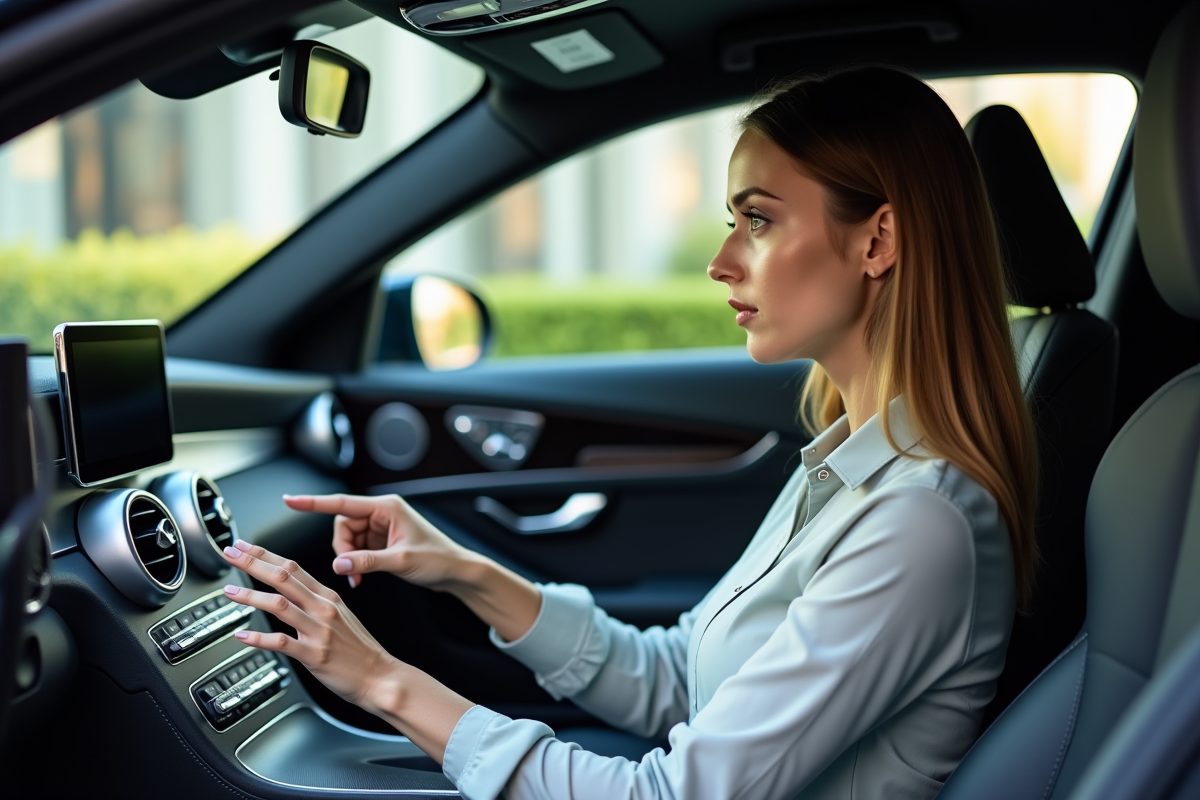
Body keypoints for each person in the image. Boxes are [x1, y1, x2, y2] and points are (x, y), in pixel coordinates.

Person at [219, 65, 1037, 800]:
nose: (720, 261)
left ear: (876, 241)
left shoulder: (916, 524)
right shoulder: (849, 463)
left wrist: (383, 683)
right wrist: (465, 572)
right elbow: (684, 681)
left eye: (758, 219)